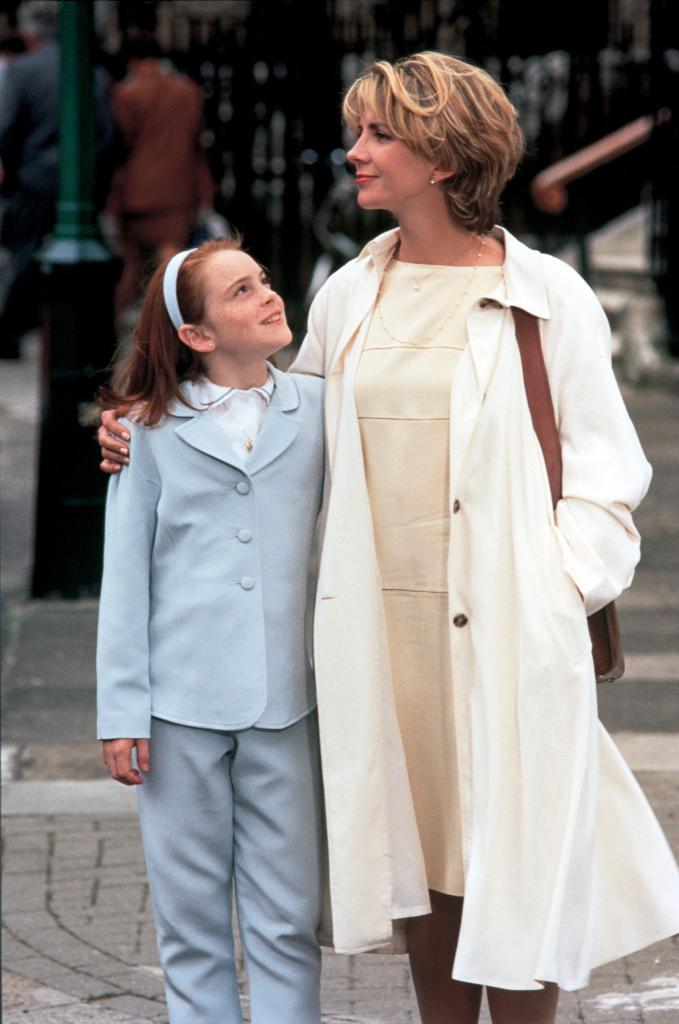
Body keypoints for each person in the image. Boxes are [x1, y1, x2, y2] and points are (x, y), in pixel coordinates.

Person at [99, 53, 679, 1024]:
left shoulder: (551, 299)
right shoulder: (347, 298)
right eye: (356, 131)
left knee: (518, 860)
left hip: (506, 629)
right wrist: (135, 426)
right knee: (423, 865)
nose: (354, 151)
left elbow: (607, 476)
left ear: (443, 159)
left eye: (377, 135)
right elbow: (278, 431)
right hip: (381, 637)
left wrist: (552, 587)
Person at [96, 237, 325, 1024]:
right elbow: (125, 577)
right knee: (190, 922)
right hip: (178, 710)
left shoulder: (322, 410)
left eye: (263, 279)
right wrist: (122, 710)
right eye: (239, 292)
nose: (267, 294)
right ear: (195, 335)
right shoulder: (147, 431)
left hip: (287, 705)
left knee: (288, 916)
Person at [0, 0, 112, 358]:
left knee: (25, 254)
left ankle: (13, 332)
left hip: (33, 179)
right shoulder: (94, 71)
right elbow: (107, 134)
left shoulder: (23, 70)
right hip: (79, 182)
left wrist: (14, 170)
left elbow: (7, 127)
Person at [106, 37, 215, 323]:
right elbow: (197, 145)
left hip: (134, 191)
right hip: (177, 190)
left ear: (134, 63)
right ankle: (170, 329)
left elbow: (119, 143)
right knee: (171, 265)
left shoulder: (126, 94)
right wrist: (204, 195)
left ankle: (108, 331)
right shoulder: (188, 91)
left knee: (128, 269)